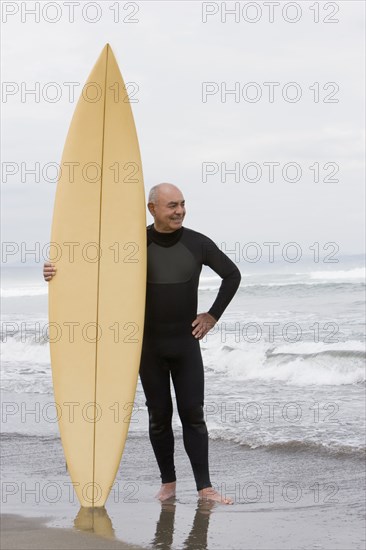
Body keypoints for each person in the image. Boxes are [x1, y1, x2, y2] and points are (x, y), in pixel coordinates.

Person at [44, 183, 241, 504]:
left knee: (193, 414)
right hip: (147, 348)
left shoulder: (198, 243)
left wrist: (212, 315)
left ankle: (205, 487)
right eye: (171, 205)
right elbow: (90, 272)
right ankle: (168, 484)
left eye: (182, 204)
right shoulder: (132, 245)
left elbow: (232, 275)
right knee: (158, 416)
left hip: (185, 345)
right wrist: (55, 272)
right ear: (152, 209)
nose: (179, 211)